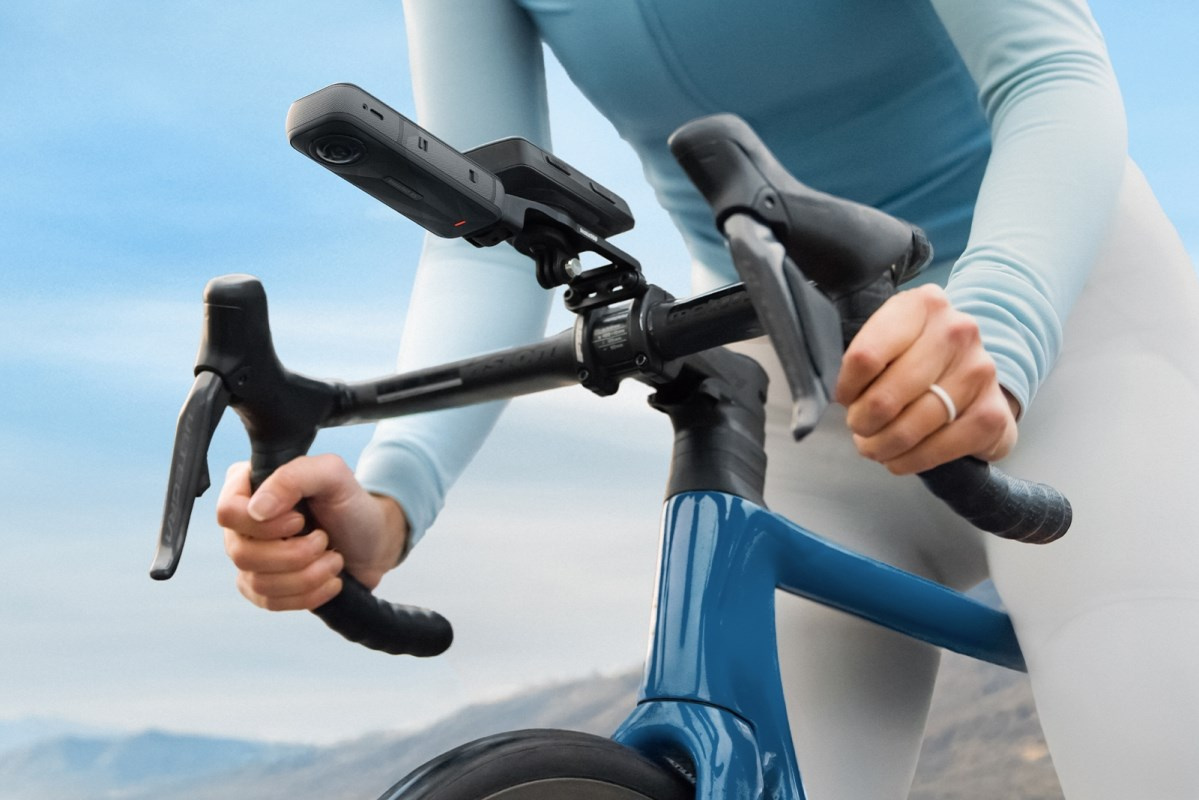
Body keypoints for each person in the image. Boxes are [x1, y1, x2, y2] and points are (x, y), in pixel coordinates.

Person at [216, 1, 1199, 797]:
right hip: (781, 383)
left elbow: (1051, 73)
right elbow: (482, 237)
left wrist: (998, 327)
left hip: (1075, 337)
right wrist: (392, 492)